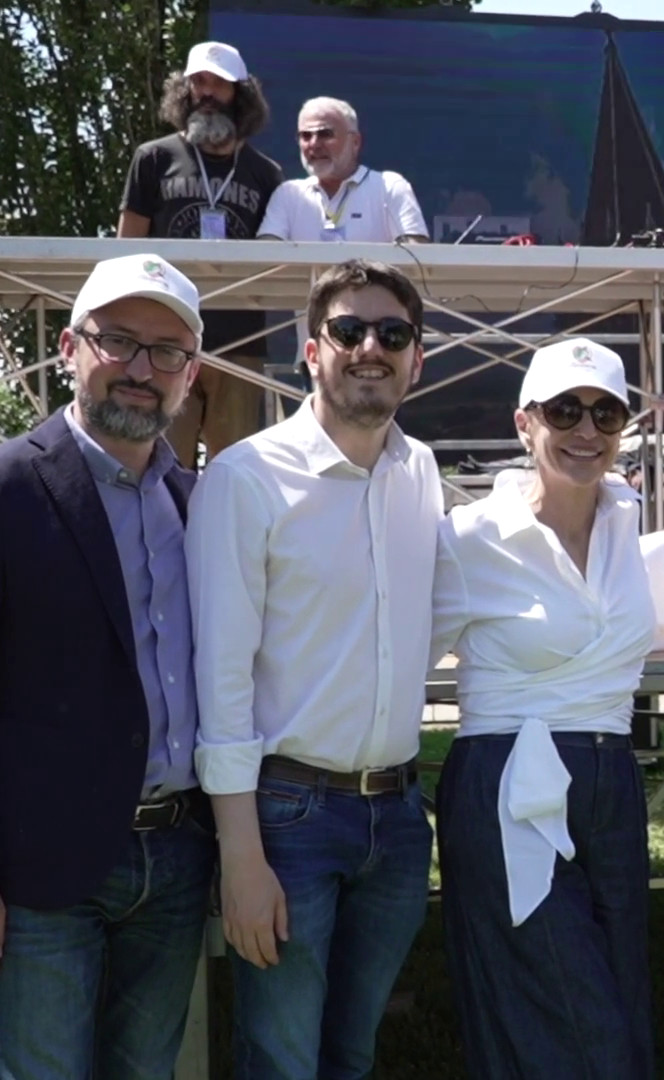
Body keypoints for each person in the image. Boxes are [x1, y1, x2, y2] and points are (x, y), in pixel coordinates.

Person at [429, 338, 664, 1079]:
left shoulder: (626, 522)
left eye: (606, 414)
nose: (586, 431)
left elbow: (620, 596)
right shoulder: (468, 541)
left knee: (616, 995)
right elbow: (397, 650)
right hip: (509, 784)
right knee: (566, 1021)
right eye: (565, 411)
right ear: (525, 423)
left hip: (610, 782)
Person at [187, 259, 440, 1079]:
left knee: (352, 1052)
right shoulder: (244, 479)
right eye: (349, 330)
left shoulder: (422, 472)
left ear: (417, 359)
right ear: (310, 350)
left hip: (399, 819)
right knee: (282, 1059)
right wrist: (241, 858)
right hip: (286, 819)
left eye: (392, 333)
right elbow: (219, 682)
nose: (371, 347)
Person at [0, 254, 211, 1079]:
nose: (140, 369)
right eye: (118, 341)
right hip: (45, 865)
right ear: (68, 349)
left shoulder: (195, 501)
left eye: (166, 352)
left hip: (176, 857)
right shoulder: (12, 484)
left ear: (190, 373)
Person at [119, 41, 284, 468]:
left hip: (241, 341)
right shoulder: (153, 158)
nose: (206, 92)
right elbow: (126, 251)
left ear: (240, 94)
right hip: (167, 339)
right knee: (162, 465)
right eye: (198, 82)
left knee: (239, 470)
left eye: (218, 84)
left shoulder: (266, 174)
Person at [259, 97, 428, 244]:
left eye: (325, 134)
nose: (314, 144)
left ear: (355, 142)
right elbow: (263, 260)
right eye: (306, 136)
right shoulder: (288, 194)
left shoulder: (389, 188)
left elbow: (417, 262)